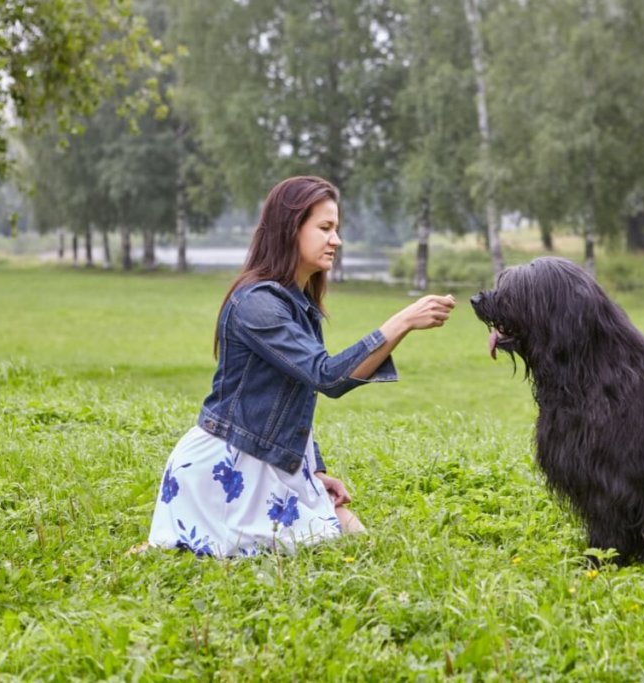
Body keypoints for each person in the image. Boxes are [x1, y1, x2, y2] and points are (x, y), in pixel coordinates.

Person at [147, 176, 456, 557]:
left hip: (269, 460)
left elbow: (297, 394)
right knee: (326, 541)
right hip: (228, 468)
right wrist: (401, 322)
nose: (336, 241)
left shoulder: (296, 303)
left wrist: (317, 471)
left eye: (336, 229)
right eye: (325, 228)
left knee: (351, 531)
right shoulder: (257, 304)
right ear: (290, 230)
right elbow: (326, 376)